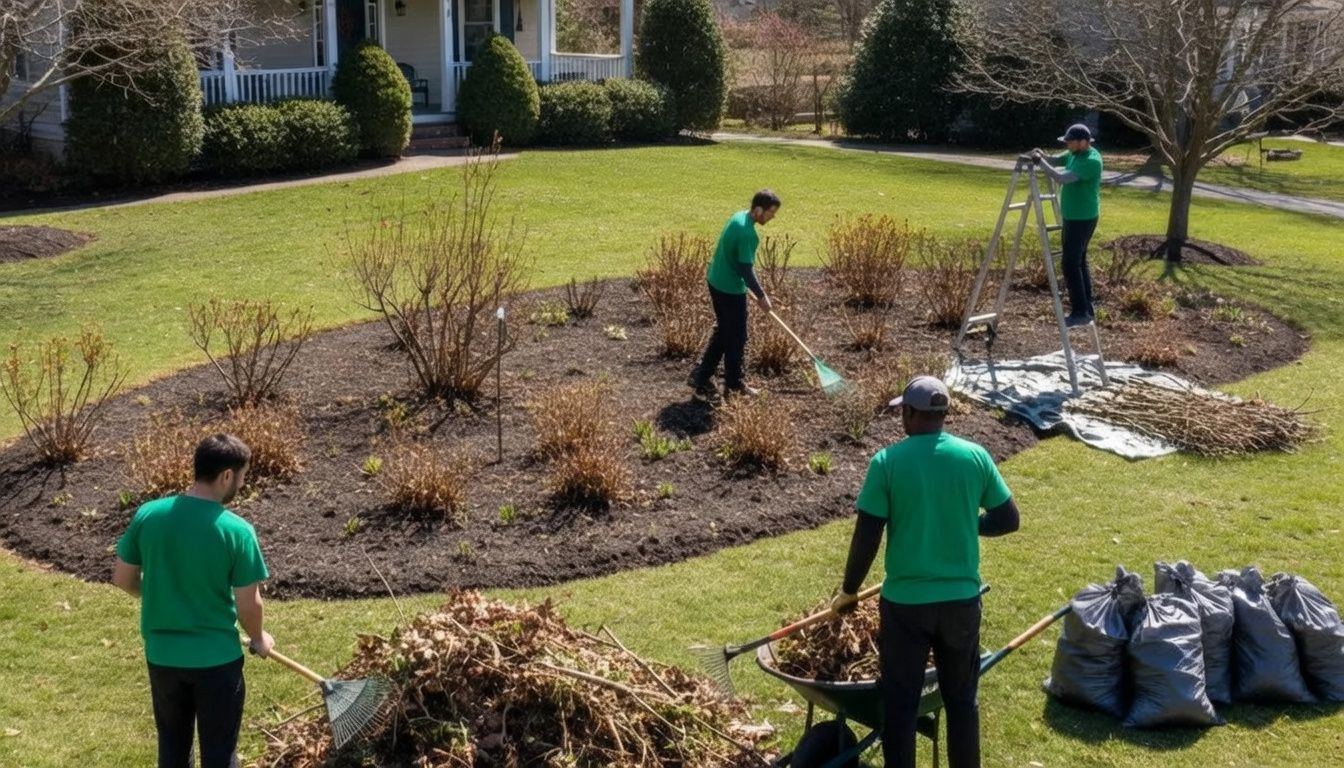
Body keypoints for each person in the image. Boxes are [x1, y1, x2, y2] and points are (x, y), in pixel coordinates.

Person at [831, 376, 1020, 768]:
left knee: (901, 705)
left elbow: (868, 534)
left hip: (906, 606)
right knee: (961, 702)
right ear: (943, 414)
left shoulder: (887, 462)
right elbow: (1007, 519)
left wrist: (849, 591)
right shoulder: (974, 457)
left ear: (912, 414)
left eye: (904, 410)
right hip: (960, 603)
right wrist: (970, 523)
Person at [113, 434, 273, 768]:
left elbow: (123, 579)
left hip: (163, 658)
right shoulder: (236, 531)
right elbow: (249, 603)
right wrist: (259, 638)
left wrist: (158, 593)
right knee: (219, 754)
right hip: (216, 662)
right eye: (242, 476)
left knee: (172, 749)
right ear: (226, 475)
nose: (242, 485)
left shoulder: (148, 515)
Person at [687, 189, 780, 399]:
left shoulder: (739, 217)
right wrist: (762, 296)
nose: (772, 217)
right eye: (770, 213)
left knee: (723, 332)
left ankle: (701, 380)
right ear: (758, 209)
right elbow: (746, 270)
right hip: (729, 289)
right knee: (737, 337)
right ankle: (734, 385)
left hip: (716, 280)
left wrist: (755, 290)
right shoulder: (748, 234)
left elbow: (740, 264)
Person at [1032, 123, 1104, 327]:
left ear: (1083, 142)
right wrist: (1043, 155)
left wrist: (1040, 163)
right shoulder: (1075, 153)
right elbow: (1057, 159)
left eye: (1069, 142)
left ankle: (1080, 312)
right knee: (1079, 260)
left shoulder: (1091, 160)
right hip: (1073, 216)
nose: (1067, 145)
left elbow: (1062, 178)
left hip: (1082, 218)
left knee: (1070, 263)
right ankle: (1087, 307)